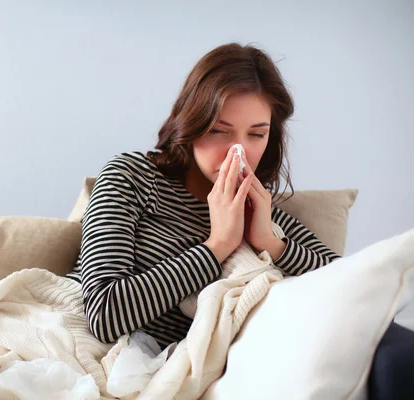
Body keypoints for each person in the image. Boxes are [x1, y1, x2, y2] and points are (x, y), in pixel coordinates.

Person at [66, 42, 413, 398]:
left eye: (256, 134)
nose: (239, 151)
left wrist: (271, 243)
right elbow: (104, 314)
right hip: (105, 357)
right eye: (219, 130)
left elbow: (351, 289)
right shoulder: (131, 176)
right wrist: (217, 247)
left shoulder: (262, 210)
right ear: (192, 122)